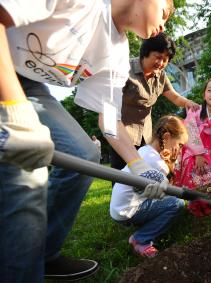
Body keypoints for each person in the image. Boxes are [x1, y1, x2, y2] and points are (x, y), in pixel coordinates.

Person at [0, 0, 175, 281]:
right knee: (24, 176)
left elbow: (109, 121)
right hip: (5, 68)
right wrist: (14, 108)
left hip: (29, 85)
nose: (164, 25)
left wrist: (139, 167)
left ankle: (42, 253)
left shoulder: (117, 55)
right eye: (165, 13)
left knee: (82, 154)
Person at [110, 32, 199, 172]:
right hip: (122, 135)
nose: (161, 63)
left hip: (146, 137)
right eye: (158, 57)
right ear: (146, 52)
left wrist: (188, 103)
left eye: (165, 60)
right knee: (122, 175)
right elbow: (108, 103)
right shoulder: (125, 69)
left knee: (147, 175)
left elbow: (175, 97)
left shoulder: (160, 75)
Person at [110, 115, 187, 258]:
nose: (180, 150)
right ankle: (141, 240)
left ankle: (145, 224)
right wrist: (173, 162)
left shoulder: (144, 151)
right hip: (127, 212)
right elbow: (170, 192)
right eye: (180, 145)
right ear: (167, 137)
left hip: (117, 209)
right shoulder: (157, 164)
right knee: (176, 204)